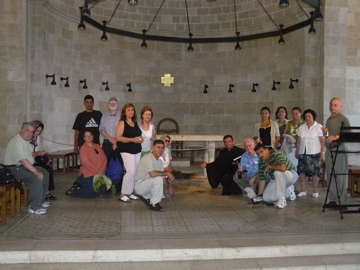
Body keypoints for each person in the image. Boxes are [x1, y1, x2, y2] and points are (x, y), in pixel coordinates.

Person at [4, 122, 50, 215]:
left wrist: (37, 154)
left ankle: (39, 201)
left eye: (32, 132)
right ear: (21, 130)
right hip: (14, 168)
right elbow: (22, 160)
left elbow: (28, 155)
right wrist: (35, 171)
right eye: (27, 131)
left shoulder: (24, 141)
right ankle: (34, 207)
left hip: (23, 167)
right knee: (35, 178)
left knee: (45, 173)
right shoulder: (16, 141)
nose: (30, 134)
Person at [324, 97, 350, 209]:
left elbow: (348, 134)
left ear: (340, 106)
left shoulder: (343, 119)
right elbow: (329, 137)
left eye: (335, 105)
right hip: (330, 150)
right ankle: (333, 199)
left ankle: (342, 202)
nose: (332, 107)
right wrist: (325, 134)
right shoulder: (329, 119)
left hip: (339, 150)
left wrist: (335, 137)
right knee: (330, 176)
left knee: (340, 176)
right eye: (331, 105)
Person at [135, 140, 175, 211]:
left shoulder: (159, 161)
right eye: (158, 147)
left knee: (162, 193)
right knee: (158, 180)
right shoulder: (147, 157)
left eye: (162, 148)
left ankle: (146, 198)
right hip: (140, 185)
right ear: (153, 148)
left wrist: (169, 187)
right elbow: (152, 174)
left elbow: (163, 178)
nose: (160, 150)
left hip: (148, 184)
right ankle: (154, 204)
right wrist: (167, 173)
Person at [66, 130, 107, 198]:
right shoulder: (83, 148)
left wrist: (103, 169)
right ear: (84, 138)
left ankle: (81, 185)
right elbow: (86, 162)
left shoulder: (97, 146)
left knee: (100, 192)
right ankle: (74, 191)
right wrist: (98, 171)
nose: (89, 137)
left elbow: (105, 158)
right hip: (88, 173)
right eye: (86, 136)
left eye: (90, 135)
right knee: (90, 194)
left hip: (100, 172)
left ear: (93, 137)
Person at [254, 143, 297, 209]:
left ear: (267, 150)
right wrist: (259, 195)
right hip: (275, 180)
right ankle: (287, 191)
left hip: (290, 174)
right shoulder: (261, 162)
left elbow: (283, 168)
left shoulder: (276, 153)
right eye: (258, 154)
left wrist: (269, 166)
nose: (260, 155)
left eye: (261, 152)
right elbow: (262, 179)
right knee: (266, 198)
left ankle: (282, 200)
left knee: (277, 172)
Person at [116, 103, 143, 202]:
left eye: (132, 110)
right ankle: (123, 193)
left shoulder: (135, 123)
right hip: (126, 150)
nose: (131, 111)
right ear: (124, 112)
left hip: (136, 150)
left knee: (134, 172)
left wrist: (140, 139)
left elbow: (137, 135)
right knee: (130, 171)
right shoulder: (122, 122)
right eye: (128, 110)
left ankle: (130, 192)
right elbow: (118, 137)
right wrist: (132, 140)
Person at [295, 109, 325, 198]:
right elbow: (299, 140)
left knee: (315, 172)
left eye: (309, 116)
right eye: (306, 117)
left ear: (313, 117)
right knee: (301, 171)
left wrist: (322, 152)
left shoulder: (319, 127)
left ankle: (315, 190)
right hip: (303, 152)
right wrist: (297, 151)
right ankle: (303, 189)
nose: (308, 118)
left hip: (315, 152)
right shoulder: (301, 127)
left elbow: (322, 141)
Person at [29, 120, 56, 201]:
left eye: (39, 131)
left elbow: (39, 147)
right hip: (29, 161)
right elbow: (27, 154)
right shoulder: (27, 137)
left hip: (36, 159)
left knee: (49, 169)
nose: (37, 133)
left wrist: (42, 152)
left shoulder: (37, 137)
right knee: (45, 171)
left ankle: (47, 192)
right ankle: (44, 193)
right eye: (37, 130)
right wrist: (37, 153)